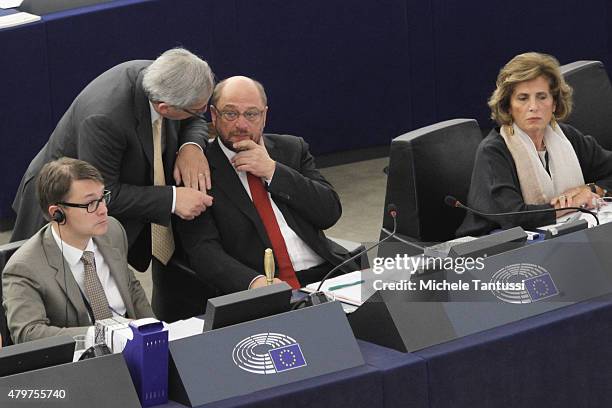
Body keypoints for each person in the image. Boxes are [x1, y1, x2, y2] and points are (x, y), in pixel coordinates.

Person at [10, 47, 215, 319]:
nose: (204, 112)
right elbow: (105, 193)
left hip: (108, 201)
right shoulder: (105, 117)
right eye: (199, 108)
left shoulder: (167, 77)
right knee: (62, 306)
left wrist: (191, 146)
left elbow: (194, 118)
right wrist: (174, 199)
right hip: (65, 204)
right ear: (165, 108)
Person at [177, 76, 358, 294]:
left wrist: (274, 171)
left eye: (251, 114)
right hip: (260, 287)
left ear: (264, 116)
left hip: (326, 275)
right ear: (214, 116)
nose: (241, 124)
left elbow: (329, 213)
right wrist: (254, 283)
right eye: (231, 114)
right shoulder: (198, 167)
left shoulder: (291, 149)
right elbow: (202, 250)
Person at [457, 52, 612, 236]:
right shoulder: (494, 151)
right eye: (523, 98)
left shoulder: (567, 137)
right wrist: (575, 203)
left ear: (554, 103)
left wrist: (590, 189)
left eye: (542, 97)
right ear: (508, 106)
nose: (534, 106)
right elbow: (514, 216)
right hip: (494, 251)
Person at [3, 158, 154, 344]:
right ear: (57, 213)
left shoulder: (113, 231)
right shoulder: (24, 267)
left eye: (103, 198)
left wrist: (153, 329)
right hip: (80, 361)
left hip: (132, 345)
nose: (103, 210)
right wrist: (100, 336)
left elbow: (131, 287)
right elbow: (28, 332)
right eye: (91, 203)